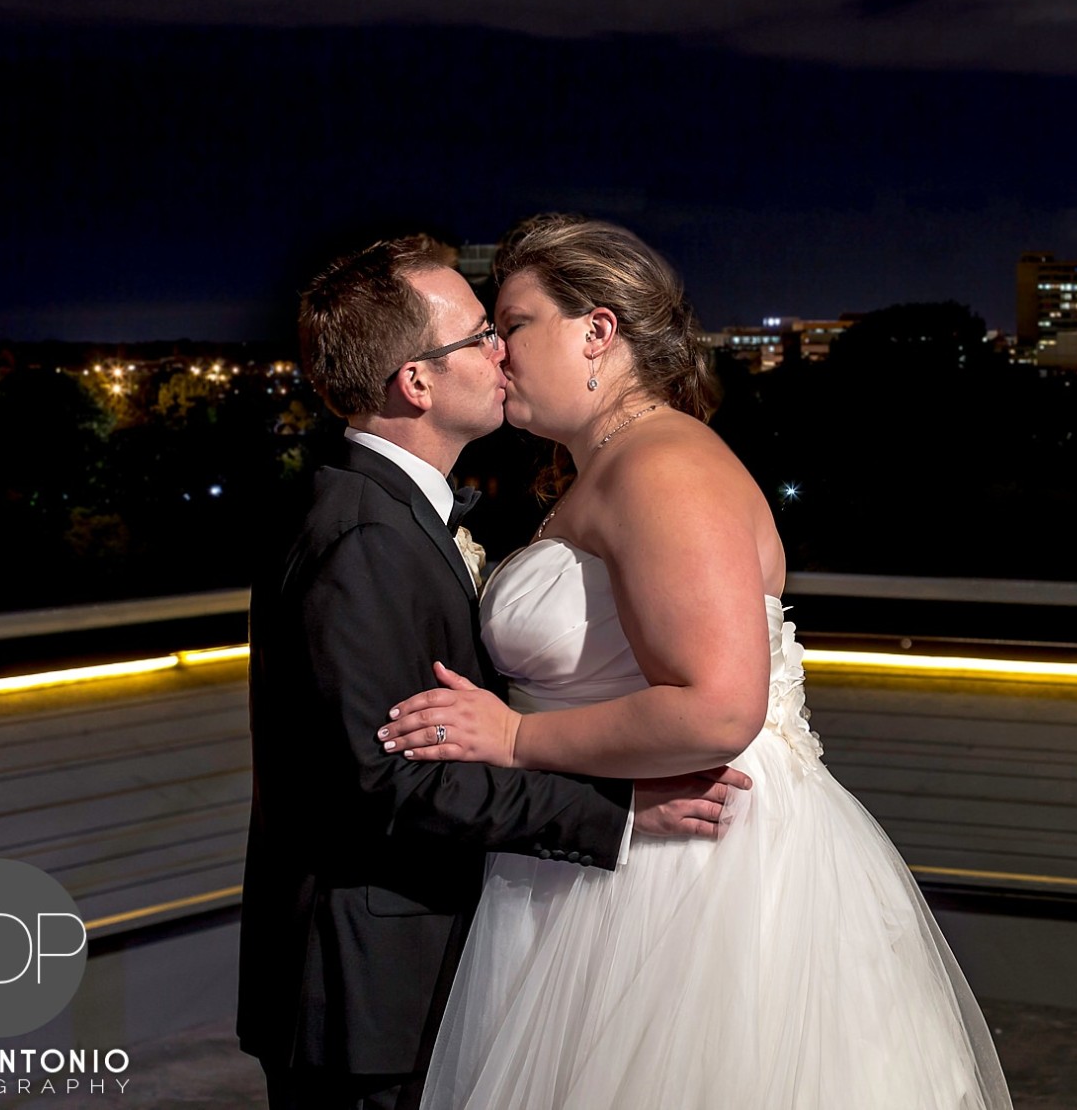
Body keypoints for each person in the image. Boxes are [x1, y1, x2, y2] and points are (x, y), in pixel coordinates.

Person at [376, 215, 1014, 1109]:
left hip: (696, 877)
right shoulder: (602, 467)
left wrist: (517, 737)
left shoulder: (665, 466)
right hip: (607, 850)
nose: (496, 354)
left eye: (512, 326)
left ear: (597, 331)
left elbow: (718, 708)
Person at [240, 235, 747, 1110]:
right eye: (480, 334)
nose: (500, 351)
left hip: (410, 972)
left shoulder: (391, 517)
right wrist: (619, 812)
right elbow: (389, 785)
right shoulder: (361, 539)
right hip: (366, 995)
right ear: (417, 382)